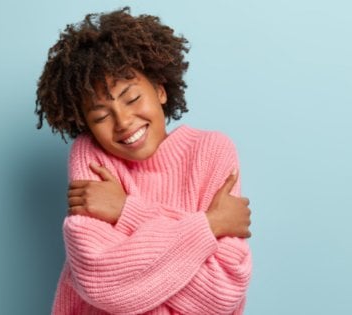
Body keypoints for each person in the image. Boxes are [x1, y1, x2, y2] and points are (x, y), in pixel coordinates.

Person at [35, 7, 252, 315]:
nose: (123, 122)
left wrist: (126, 211)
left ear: (161, 90)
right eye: (100, 116)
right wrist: (210, 225)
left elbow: (219, 295)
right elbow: (101, 283)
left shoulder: (212, 150)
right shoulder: (92, 155)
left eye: (132, 98)